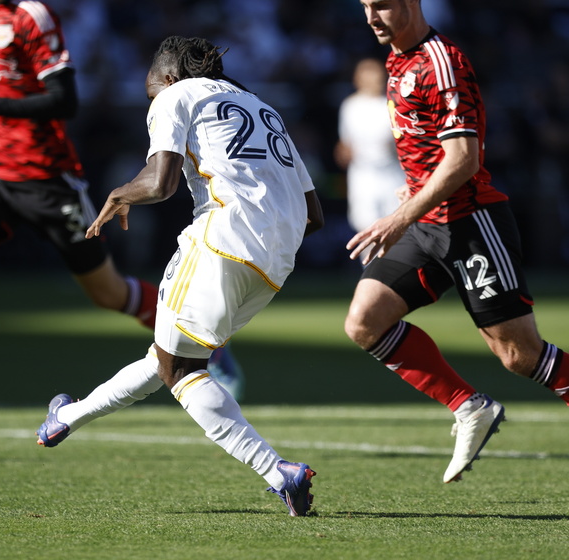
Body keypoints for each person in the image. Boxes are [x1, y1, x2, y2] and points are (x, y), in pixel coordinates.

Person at [0, 0, 243, 434]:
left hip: (47, 178)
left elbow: (64, 99)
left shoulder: (31, 15)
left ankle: (210, 347)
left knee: (109, 294)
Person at [35, 36, 325, 516]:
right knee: (167, 356)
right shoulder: (261, 106)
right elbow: (314, 215)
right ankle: (65, 418)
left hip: (222, 235)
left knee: (183, 371)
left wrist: (119, 193)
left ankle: (280, 473)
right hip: (277, 259)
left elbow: (160, 182)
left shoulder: (176, 94)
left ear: (167, 75)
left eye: (149, 80)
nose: (148, 92)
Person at [346, 0, 569, 483]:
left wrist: (398, 216)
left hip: (471, 224)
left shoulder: (441, 62)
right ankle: (470, 407)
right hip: (426, 223)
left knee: (519, 356)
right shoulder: (397, 59)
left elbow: (465, 157)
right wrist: (413, 196)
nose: (371, 17)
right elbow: (427, 147)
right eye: (364, 6)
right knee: (365, 321)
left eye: (381, 5)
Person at [334, 58, 404, 238]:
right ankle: (369, 267)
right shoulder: (350, 106)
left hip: (392, 174)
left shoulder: (392, 105)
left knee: (396, 223)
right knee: (365, 226)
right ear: (358, 79)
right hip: (363, 175)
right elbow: (345, 143)